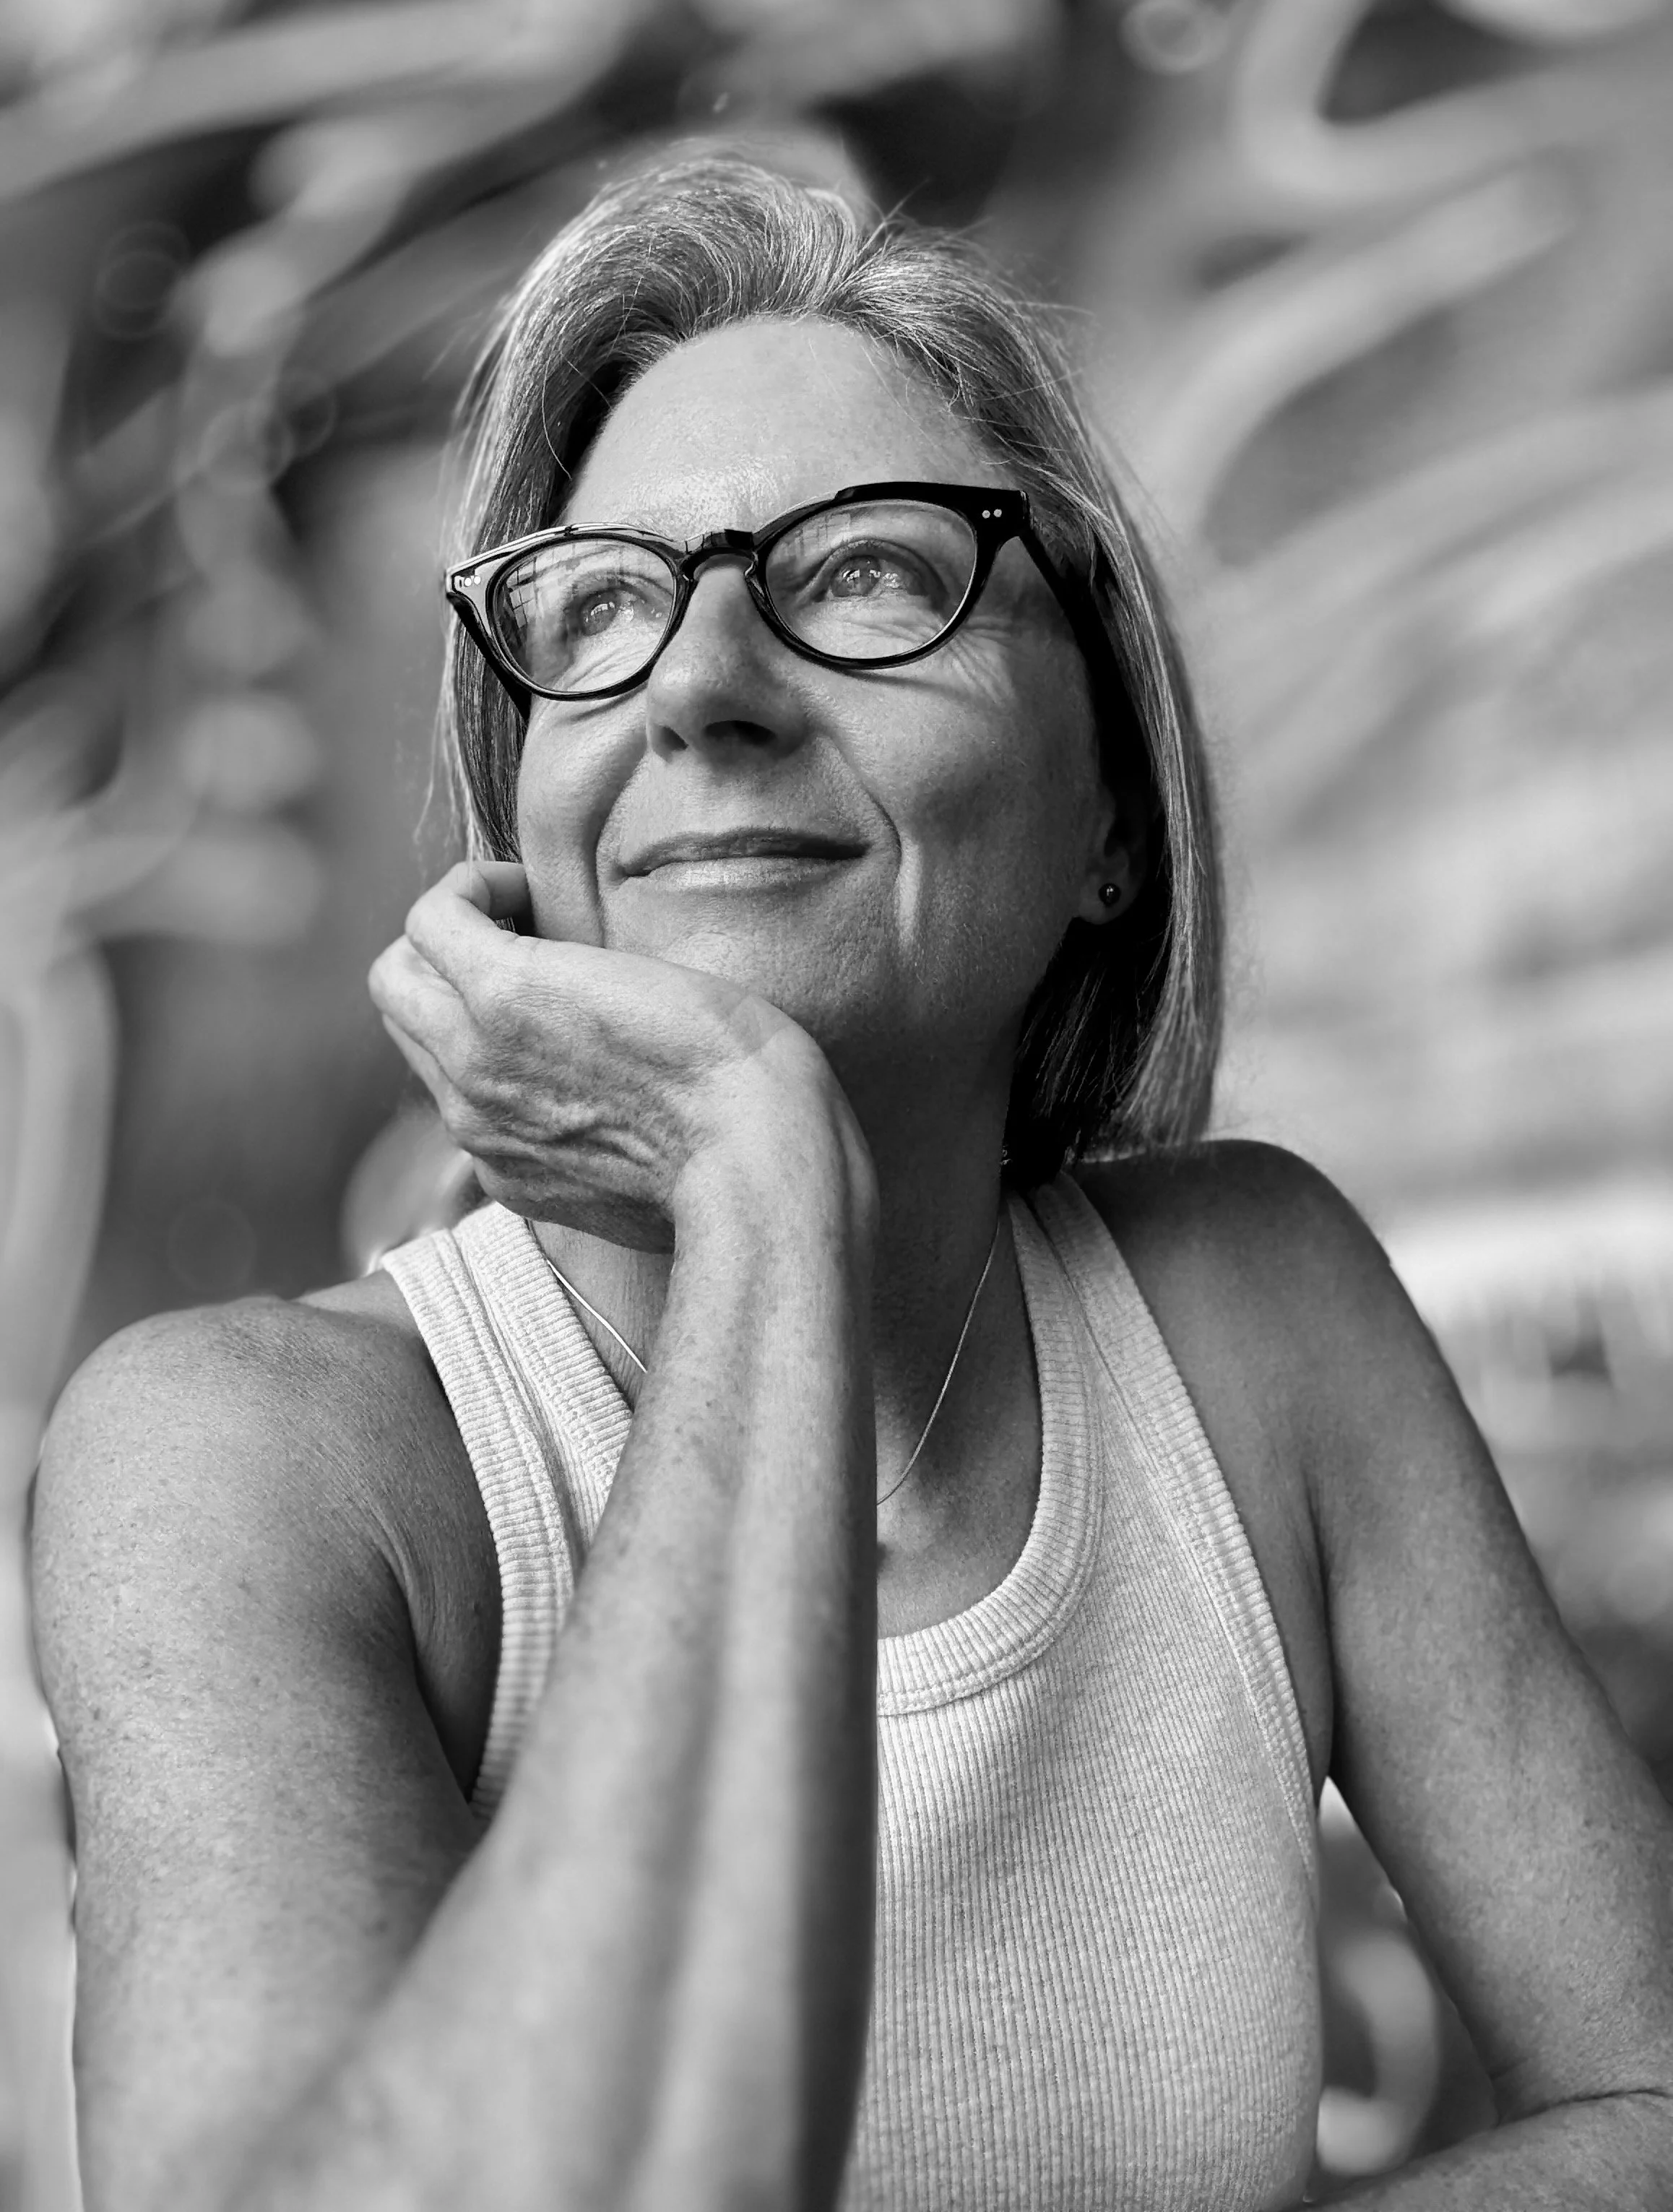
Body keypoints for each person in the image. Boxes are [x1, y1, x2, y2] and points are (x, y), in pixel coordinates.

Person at [31, 155, 1673, 2212]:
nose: (699, 684)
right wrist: (751, 1176)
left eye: (872, 572)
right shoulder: (246, 1460)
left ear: (1110, 816)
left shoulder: (1266, 1321)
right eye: (599, 602)